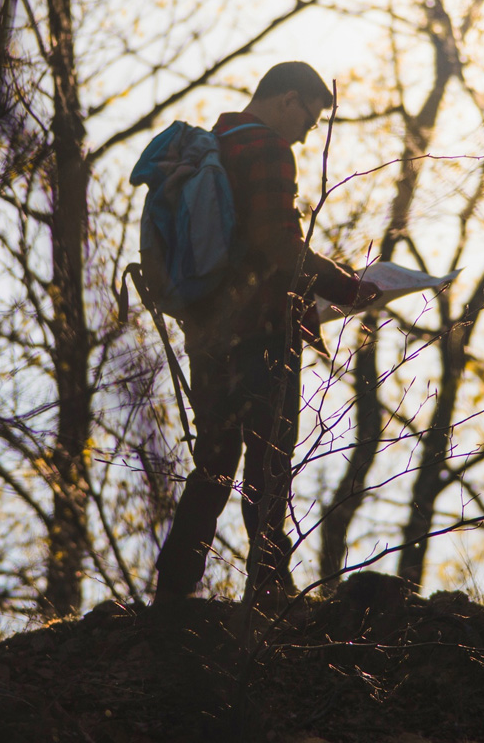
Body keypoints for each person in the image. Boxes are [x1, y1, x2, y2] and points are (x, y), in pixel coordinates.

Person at [153, 62, 381, 610]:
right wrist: (350, 288)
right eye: (310, 115)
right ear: (286, 99)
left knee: (214, 457)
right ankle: (270, 591)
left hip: (207, 330)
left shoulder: (213, 143)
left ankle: (174, 590)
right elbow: (278, 245)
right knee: (269, 462)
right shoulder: (270, 148)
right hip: (259, 332)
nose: (308, 130)